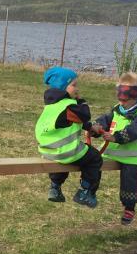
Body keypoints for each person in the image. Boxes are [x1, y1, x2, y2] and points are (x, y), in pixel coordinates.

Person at [35, 66, 103, 207]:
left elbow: (74, 121)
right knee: (94, 158)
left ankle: (54, 187)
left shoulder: (52, 105)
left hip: (47, 150)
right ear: (63, 86)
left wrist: (90, 127)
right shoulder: (69, 106)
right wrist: (81, 101)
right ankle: (85, 191)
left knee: (63, 161)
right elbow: (84, 114)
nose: (76, 89)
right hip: (65, 150)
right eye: (73, 85)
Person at [92, 71, 137, 224]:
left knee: (129, 178)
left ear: (135, 97)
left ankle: (129, 207)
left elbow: (135, 131)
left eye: (125, 100)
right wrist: (97, 127)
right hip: (111, 151)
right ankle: (89, 191)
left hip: (131, 156)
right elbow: (107, 119)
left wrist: (116, 137)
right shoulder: (118, 108)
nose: (122, 103)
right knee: (92, 161)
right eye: (119, 99)